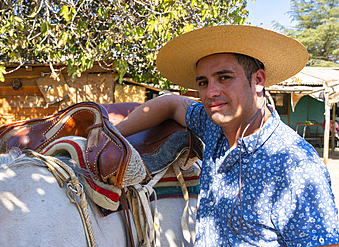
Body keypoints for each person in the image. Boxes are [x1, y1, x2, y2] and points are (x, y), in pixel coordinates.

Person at [116, 25, 339, 246]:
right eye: (203, 82)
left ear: (258, 81)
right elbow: (171, 103)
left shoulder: (295, 164)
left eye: (224, 78)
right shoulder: (214, 125)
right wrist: (113, 133)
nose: (210, 92)